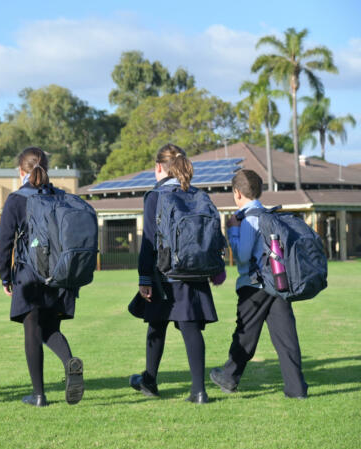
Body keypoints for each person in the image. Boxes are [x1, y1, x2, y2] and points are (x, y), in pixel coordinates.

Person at [129, 143, 220, 404]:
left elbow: (148, 241)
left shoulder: (155, 196)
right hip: (196, 273)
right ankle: (199, 391)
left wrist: (144, 279)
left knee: (157, 325)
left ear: (158, 167)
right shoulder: (198, 194)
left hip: (165, 274)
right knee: (191, 329)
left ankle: (150, 380)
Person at [0, 146, 84, 407]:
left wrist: (5, 276)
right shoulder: (61, 197)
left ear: (21, 171)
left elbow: (4, 242)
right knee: (51, 328)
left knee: (32, 332)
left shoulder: (16, 199)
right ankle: (70, 363)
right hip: (58, 275)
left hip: (29, 274)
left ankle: (38, 395)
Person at [210, 170, 308, 399]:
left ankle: (229, 377)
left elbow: (243, 256)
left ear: (237, 192)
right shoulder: (269, 214)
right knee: (286, 337)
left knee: (245, 335)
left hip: (254, 285)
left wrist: (233, 230)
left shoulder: (249, 217)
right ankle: (296, 388)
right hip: (278, 282)